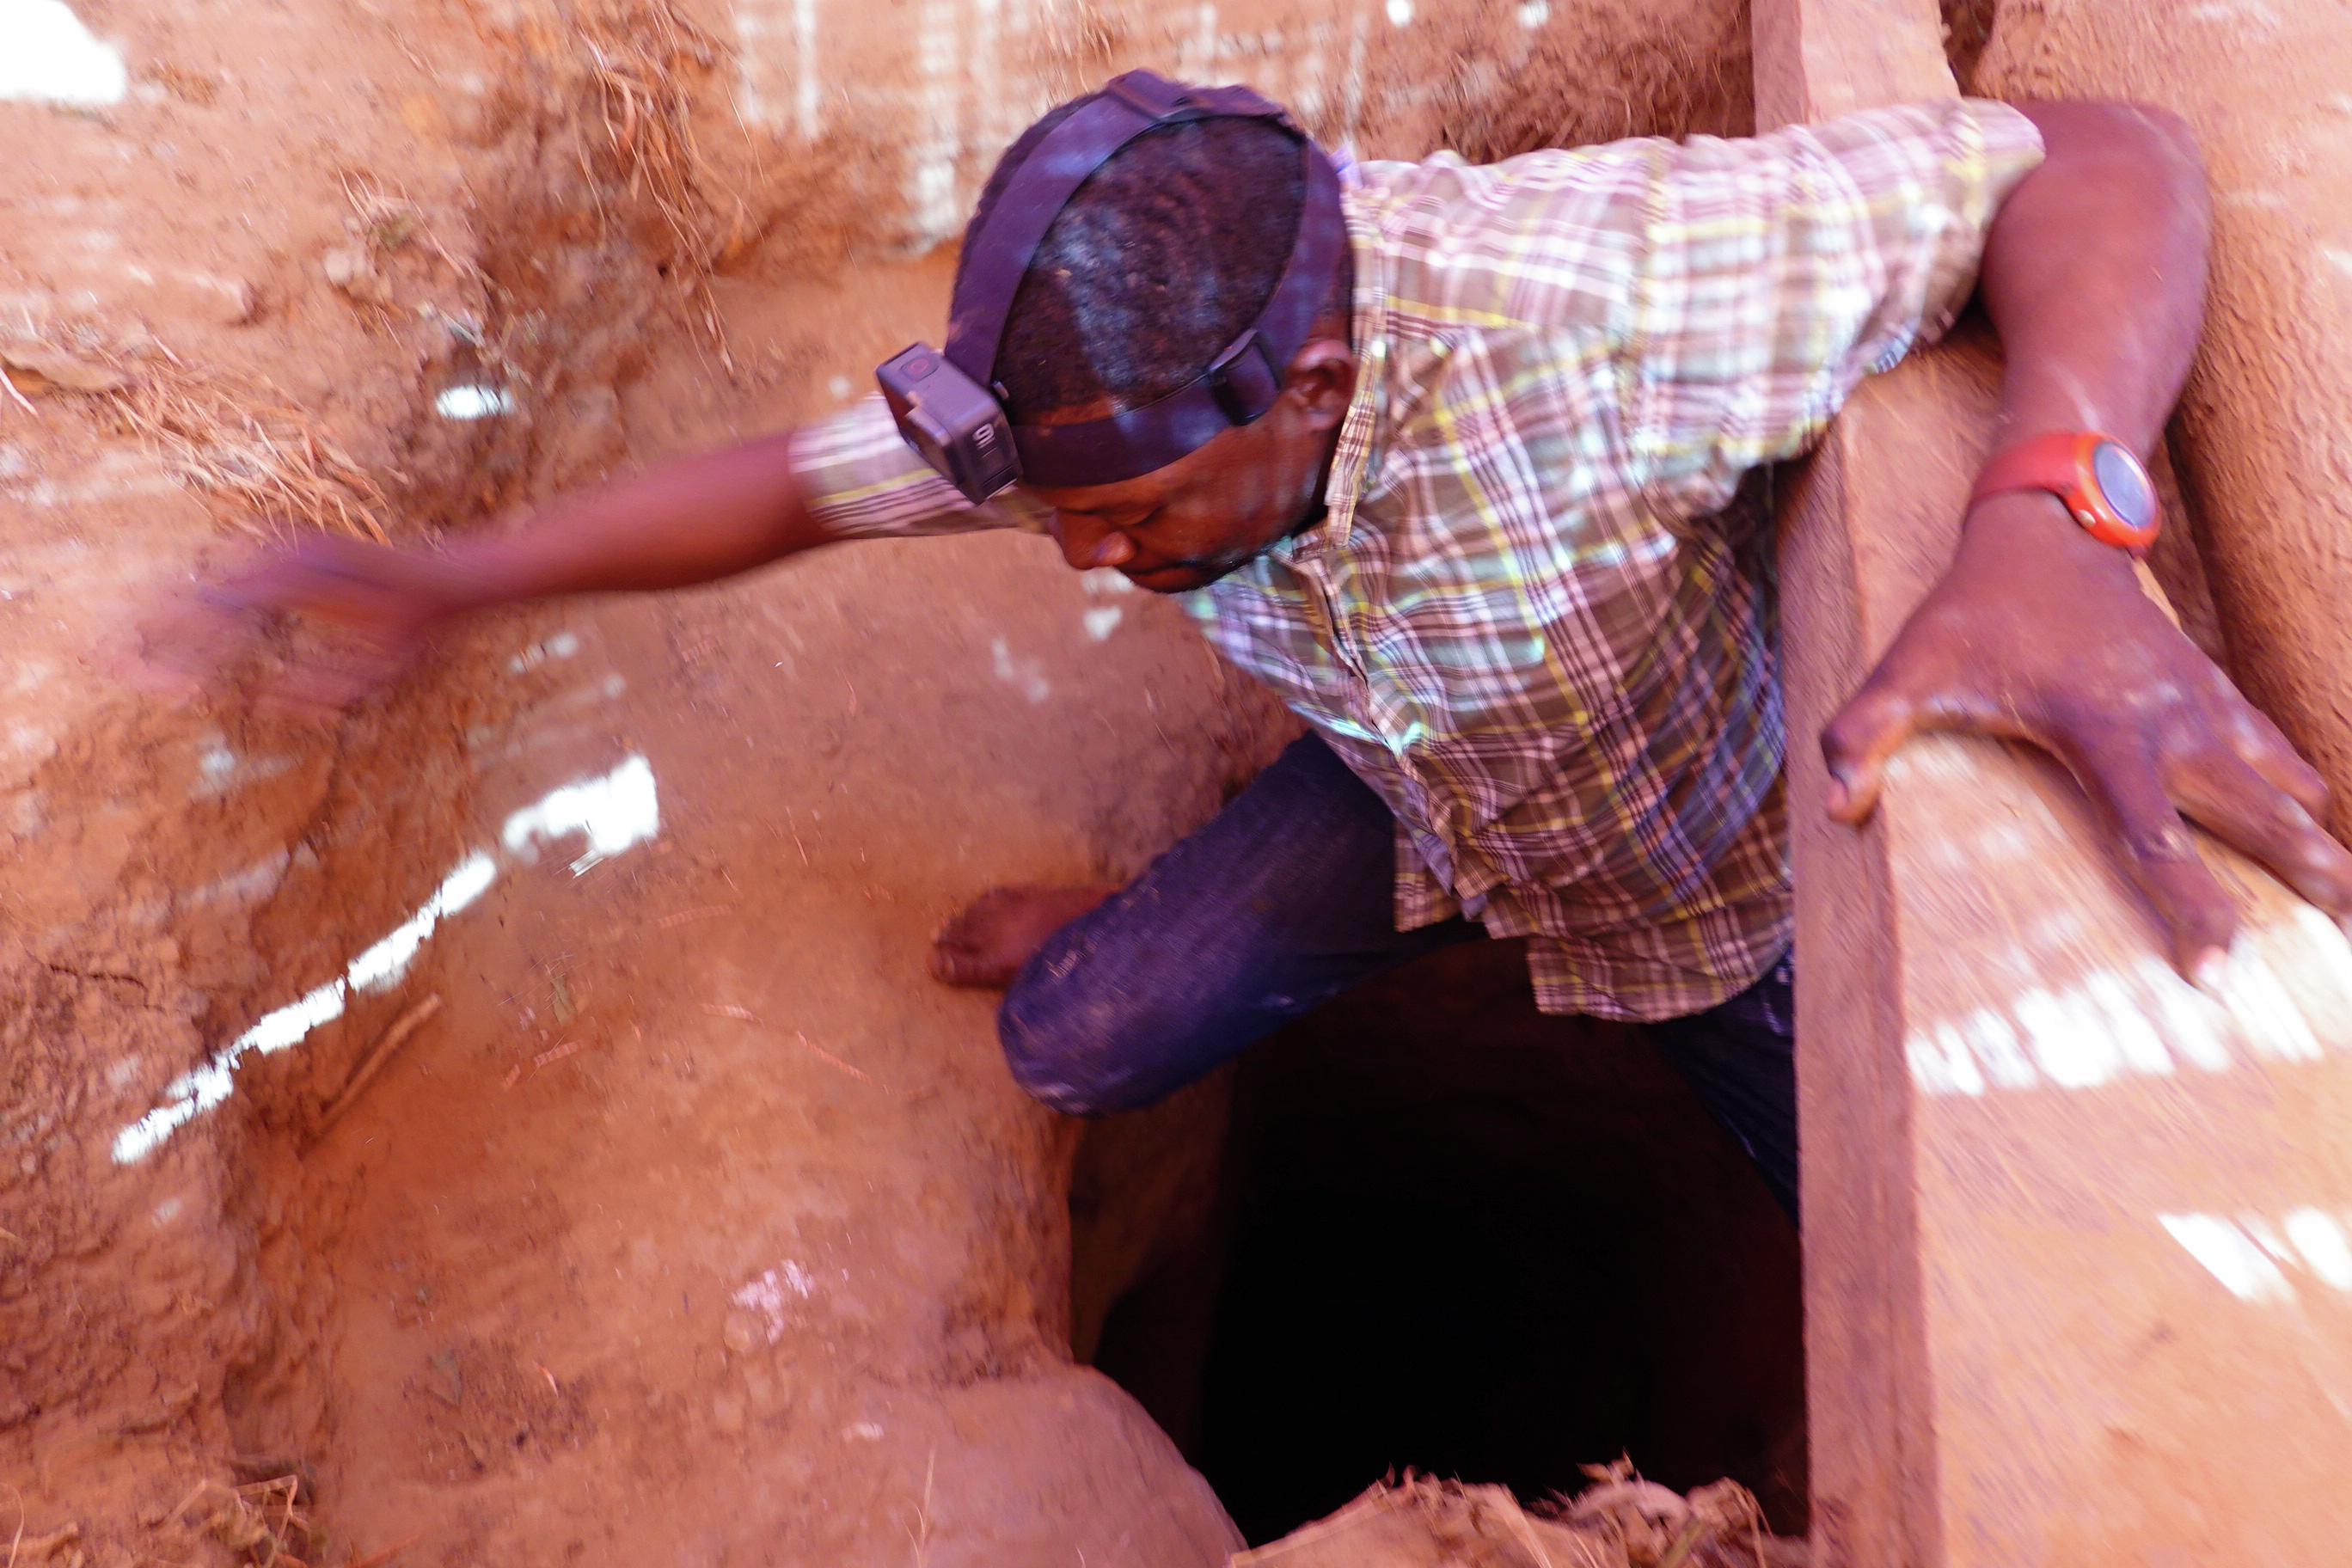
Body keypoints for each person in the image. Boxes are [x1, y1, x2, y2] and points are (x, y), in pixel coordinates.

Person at [149, 78, 2352, 1222]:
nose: (1094, 569)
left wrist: (2064, 510)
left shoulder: (1598, 305)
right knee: (1076, 1041)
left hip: (1733, 886)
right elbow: (790, 491)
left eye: (1136, 525)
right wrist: (445, 579)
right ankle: (1215, 917)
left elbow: (2102, 160)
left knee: (1844, 1250)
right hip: (1433, 803)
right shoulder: (1075, 398)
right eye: (1062, 517)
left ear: (1309, 386)